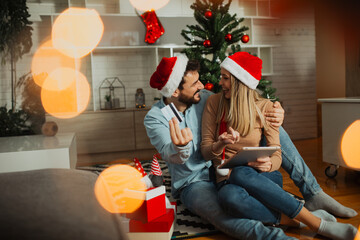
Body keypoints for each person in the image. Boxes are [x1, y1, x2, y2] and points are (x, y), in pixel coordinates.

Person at [143, 54, 357, 239]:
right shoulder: (155, 118)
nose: (203, 85)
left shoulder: (206, 99)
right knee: (227, 212)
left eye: (200, 81)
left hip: (231, 169)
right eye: (195, 84)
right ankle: (292, 227)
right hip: (194, 181)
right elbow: (170, 153)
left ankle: (312, 192)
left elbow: (247, 99)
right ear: (175, 92)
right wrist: (181, 148)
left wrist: (277, 114)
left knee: (274, 131)